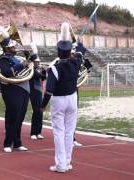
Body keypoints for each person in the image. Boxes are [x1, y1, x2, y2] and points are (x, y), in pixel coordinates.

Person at [40, 22, 89, 173]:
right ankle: (67, 162)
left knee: (59, 133)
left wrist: (43, 105)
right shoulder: (76, 62)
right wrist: (80, 43)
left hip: (59, 101)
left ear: (58, 52)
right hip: (73, 99)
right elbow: (80, 53)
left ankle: (60, 165)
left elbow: (48, 91)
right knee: (69, 132)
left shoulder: (54, 68)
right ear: (69, 52)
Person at [0, 26, 30, 153]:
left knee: (20, 117)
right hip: (12, 90)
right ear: (7, 48)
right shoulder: (3, 59)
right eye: (12, 47)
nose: (15, 48)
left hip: (23, 89)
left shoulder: (16, 58)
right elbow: (7, 73)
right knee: (13, 116)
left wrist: (27, 60)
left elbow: (25, 69)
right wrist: (22, 65)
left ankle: (17, 142)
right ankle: (7, 142)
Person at [28, 42, 46, 140]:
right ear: (33, 62)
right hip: (33, 92)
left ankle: (38, 131)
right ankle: (33, 132)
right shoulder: (31, 70)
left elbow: (42, 79)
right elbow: (41, 76)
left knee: (40, 112)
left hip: (39, 92)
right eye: (36, 62)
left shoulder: (37, 70)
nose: (38, 63)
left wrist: (43, 71)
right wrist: (45, 72)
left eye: (38, 62)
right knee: (36, 112)